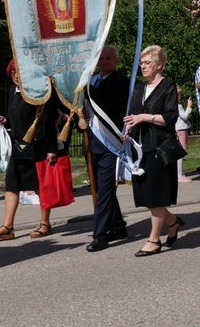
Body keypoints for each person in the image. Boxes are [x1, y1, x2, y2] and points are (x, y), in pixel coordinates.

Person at [0, 60, 58, 240]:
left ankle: (45, 224)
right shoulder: (13, 92)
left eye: (19, 72)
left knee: (41, 186)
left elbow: (48, 122)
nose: (16, 77)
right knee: (12, 185)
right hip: (18, 147)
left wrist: (51, 149)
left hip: (37, 147)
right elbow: (17, 118)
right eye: (13, 74)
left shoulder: (39, 93)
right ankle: (8, 227)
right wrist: (6, 121)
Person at [124, 45, 184, 257]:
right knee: (146, 196)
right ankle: (173, 222)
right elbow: (134, 113)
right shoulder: (139, 88)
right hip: (140, 148)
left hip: (159, 147)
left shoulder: (168, 86)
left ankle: (154, 240)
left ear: (160, 65)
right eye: (142, 63)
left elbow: (170, 117)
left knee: (156, 196)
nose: (143, 66)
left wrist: (144, 117)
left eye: (147, 62)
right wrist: (130, 127)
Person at [83, 45, 131, 252]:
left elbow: (108, 107)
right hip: (93, 142)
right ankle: (118, 226)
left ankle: (100, 235)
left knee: (103, 190)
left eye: (108, 58)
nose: (104, 62)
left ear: (116, 61)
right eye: (101, 59)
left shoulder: (123, 83)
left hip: (112, 144)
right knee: (103, 189)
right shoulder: (90, 81)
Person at [176, 88, 193, 182]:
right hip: (181, 129)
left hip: (177, 129)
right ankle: (180, 175)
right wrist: (189, 106)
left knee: (178, 152)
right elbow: (184, 116)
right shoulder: (178, 106)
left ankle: (178, 173)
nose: (180, 97)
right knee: (181, 152)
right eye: (179, 95)